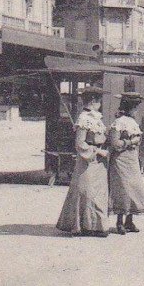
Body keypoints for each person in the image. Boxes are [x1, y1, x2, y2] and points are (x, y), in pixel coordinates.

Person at [56, 86, 110, 237]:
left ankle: (96, 225)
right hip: (89, 162)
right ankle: (83, 226)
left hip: (99, 163)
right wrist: (98, 151)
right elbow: (80, 144)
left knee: (97, 193)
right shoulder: (84, 119)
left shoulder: (95, 118)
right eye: (99, 101)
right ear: (93, 101)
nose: (100, 104)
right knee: (86, 192)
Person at [108, 92, 144, 235]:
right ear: (130, 108)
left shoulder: (133, 122)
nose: (137, 111)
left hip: (132, 159)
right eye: (135, 108)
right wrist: (130, 142)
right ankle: (119, 222)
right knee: (123, 189)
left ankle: (129, 220)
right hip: (121, 160)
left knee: (134, 188)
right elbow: (114, 143)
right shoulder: (119, 123)